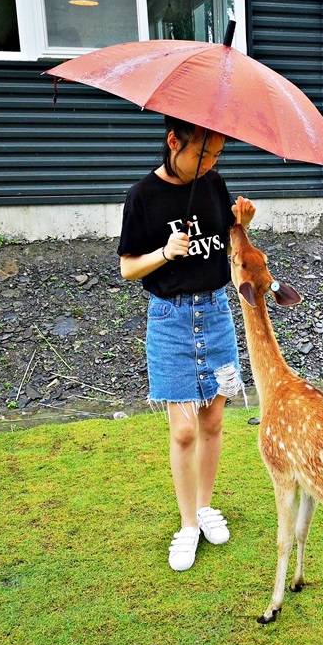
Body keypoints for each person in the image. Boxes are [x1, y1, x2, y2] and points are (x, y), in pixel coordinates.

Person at [118, 116, 255, 572]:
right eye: (202, 153)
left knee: (214, 421)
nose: (210, 164)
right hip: (170, 320)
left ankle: (204, 505)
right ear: (174, 140)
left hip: (216, 314)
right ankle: (187, 525)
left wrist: (242, 225)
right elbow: (127, 268)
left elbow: (228, 244)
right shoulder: (142, 197)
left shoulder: (213, 184)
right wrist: (164, 253)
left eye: (217, 155)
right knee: (183, 430)